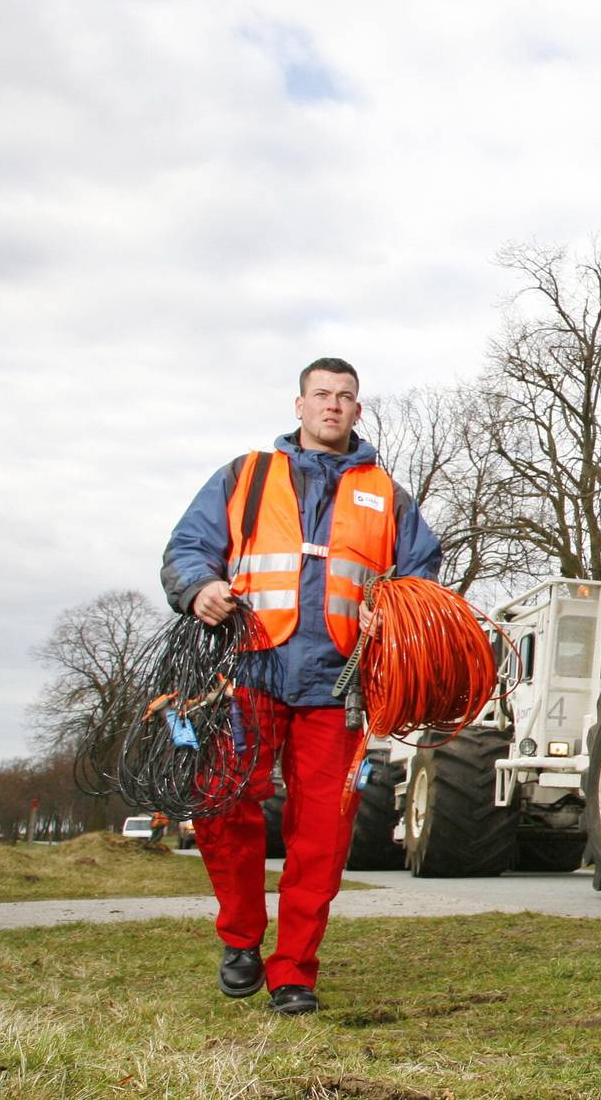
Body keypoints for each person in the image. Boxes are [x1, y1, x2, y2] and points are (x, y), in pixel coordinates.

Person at [161, 358, 441, 1016]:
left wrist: (398, 614)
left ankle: (295, 973)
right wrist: (200, 587)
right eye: (322, 395)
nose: (333, 406)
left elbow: (423, 574)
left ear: (358, 411)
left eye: (346, 397)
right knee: (222, 805)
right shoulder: (246, 475)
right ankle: (240, 939)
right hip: (248, 671)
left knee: (322, 837)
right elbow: (188, 546)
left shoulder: (387, 495)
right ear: (299, 405)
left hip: (338, 686)